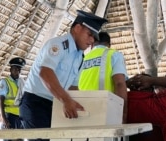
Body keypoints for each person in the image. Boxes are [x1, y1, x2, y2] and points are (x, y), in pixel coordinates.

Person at [19, 10, 107, 139]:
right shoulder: (58, 45)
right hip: (35, 103)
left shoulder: (79, 57)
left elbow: (73, 88)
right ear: (77, 28)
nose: (92, 40)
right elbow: (46, 73)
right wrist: (66, 100)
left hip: (56, 104)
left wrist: (85, 107)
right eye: (89, 34)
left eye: (94, 37)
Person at [78, 31, 128, 122]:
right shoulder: (114, 55)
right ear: (109, 45)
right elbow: (120, 83)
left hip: (82, 108)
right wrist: (123, 113)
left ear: (93, 43)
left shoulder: (83, 58)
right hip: (105, 107)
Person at [126, 73, 166, 141]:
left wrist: (124, 83)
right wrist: (151, 80)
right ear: (151, 88)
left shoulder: (120, 102)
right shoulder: (160, 102)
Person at [0, 57, 26, 131]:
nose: (18, 72)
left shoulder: (21, 82)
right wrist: (4, 118)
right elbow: (0, 100)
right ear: (10, 70)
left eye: (19, 70)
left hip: (20, 116)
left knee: (19, 138)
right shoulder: (5, 82)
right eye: (15, 69)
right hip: (9, 115)